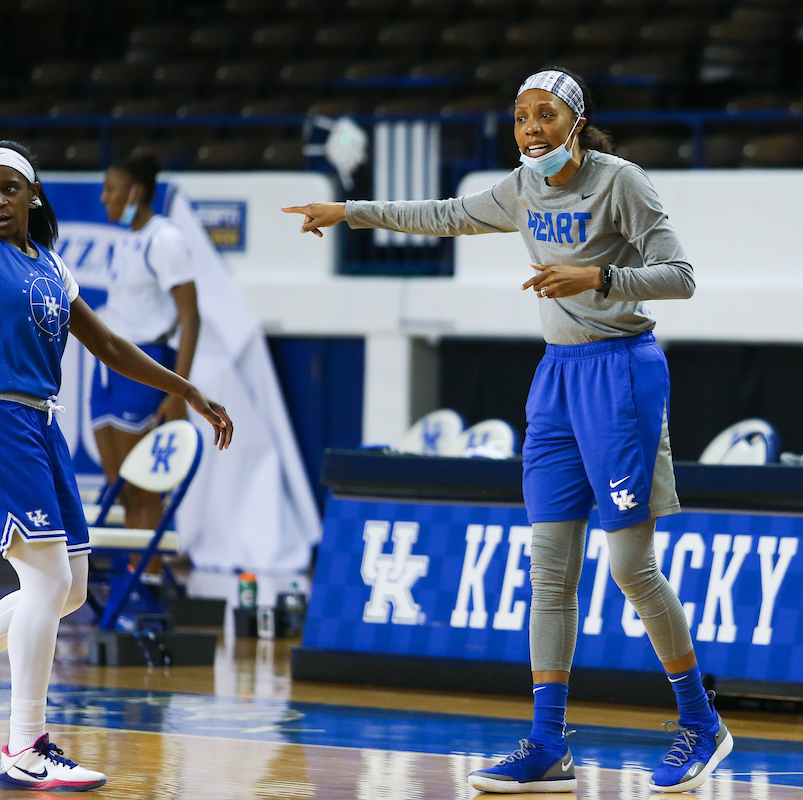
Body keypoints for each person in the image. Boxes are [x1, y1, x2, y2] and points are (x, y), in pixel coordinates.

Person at [284, 67, 732, 795]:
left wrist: (599, 278)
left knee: (630, 569)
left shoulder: (621, 182)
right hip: (557, 377)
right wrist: (349, 211)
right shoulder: (521, 189)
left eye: (545, 114)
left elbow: (680, 275)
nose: (530, 128)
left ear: (576, 121)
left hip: (622, 373)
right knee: (548, 568)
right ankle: (548, 744)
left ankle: (701, 723)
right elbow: (443, 214)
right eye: (521, 116)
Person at [0, 141, 233, 791]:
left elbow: (109, 345)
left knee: (68, 590)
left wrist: (185, 388)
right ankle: (25, 747)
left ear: (33, 193)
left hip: (42, 427)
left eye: (9, 189)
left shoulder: (49, 264)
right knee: (45, 583)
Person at [94, 149, 200, 534]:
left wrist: (179, 392)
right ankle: (132, 566)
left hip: (144, 362)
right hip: (107, 367)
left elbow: (191, 317)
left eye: (111, 189)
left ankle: (148, 570)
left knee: (144, 488)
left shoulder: (165, 239)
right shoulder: (127, 239)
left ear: (135, 192)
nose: (104, 197)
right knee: (120, 487)